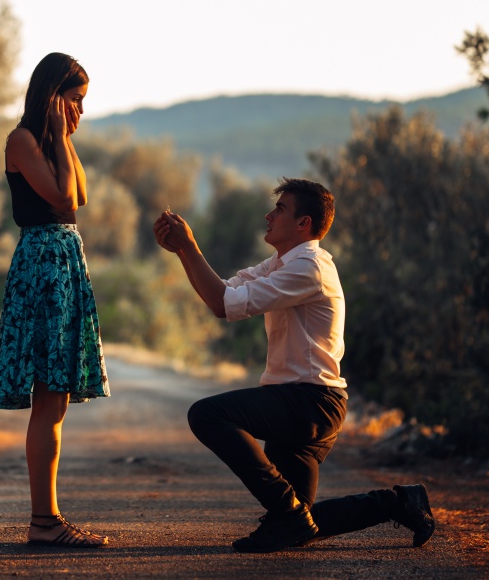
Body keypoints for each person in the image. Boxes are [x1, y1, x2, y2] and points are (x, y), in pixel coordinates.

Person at [153, 177, 435, 553]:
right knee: (303, 522)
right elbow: (221, 293)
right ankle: (401, 503)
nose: (269, 216)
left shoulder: (310, 268)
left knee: (208, 415)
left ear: (304, 224)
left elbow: (224, 305)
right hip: (302, 402)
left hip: (309, 402)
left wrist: (189, 245)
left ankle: (285, 514)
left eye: (280, 209)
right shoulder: (282, 263)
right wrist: (183, 252)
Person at [0, 52, 110, 548]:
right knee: (48, 401)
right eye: (74, 100)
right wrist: (59, 139)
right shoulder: (21, 140)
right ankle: (44, 522)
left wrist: (66, 142)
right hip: (43, 267)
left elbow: (78, 195)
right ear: (52, 95)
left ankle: (48, 519)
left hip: (62, 264)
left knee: (55, 401)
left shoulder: (51, 143)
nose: (78, 110)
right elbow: (59, 199)